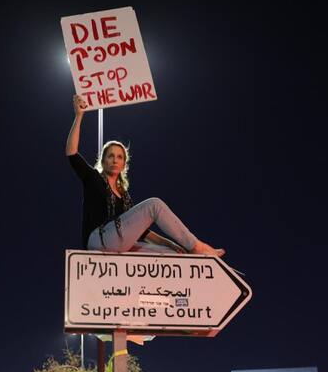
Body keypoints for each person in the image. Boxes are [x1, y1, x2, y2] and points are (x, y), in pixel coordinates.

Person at [66, 94, 225, 256]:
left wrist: (171, 243)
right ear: (103, 161)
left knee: (173, 253)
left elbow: (144, 233)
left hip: (118, 241)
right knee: (154, 204)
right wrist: (79, 116)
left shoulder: (124, 196)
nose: (115, 160)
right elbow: (72, 154)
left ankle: (190, 251)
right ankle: (197, 247)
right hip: (97, 240)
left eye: (119, 157)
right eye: (110, 156)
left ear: (123, 165)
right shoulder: (94, 179)